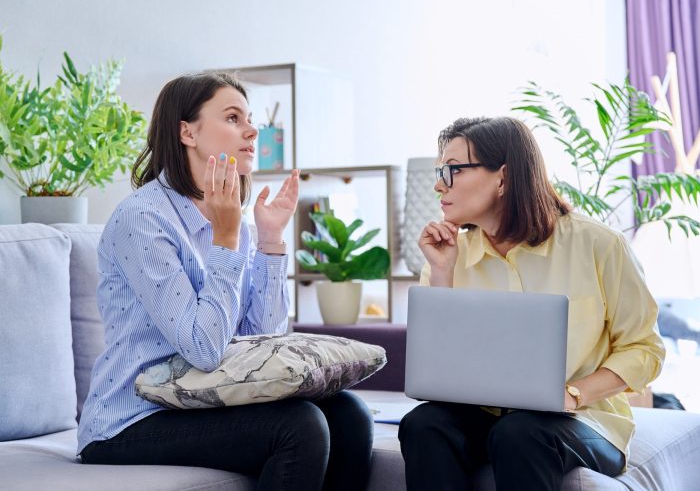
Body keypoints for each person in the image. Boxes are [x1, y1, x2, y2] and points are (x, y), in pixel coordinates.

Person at [77, 72, 373, 491]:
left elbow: (258, 345)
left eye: (249, 119)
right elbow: (203, 348)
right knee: (300, 426)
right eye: (233, 118)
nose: (252, 130)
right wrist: (227, 240)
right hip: (130, 419)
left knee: (350, 415)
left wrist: (269, 241)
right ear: (187, 132)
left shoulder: (232, 221)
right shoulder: (143, 219)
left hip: (198, 401)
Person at [399, 116, 666, 490]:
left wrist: (574, 395)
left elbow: (645, 349)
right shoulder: (448, 255)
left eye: (453, 169)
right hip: (483, 417)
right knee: (423, 424)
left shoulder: (599, 245)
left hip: (581, 420)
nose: (438, 183)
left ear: (503, 177)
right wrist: (442, 273)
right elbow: (437, 370)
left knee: (520, 433)